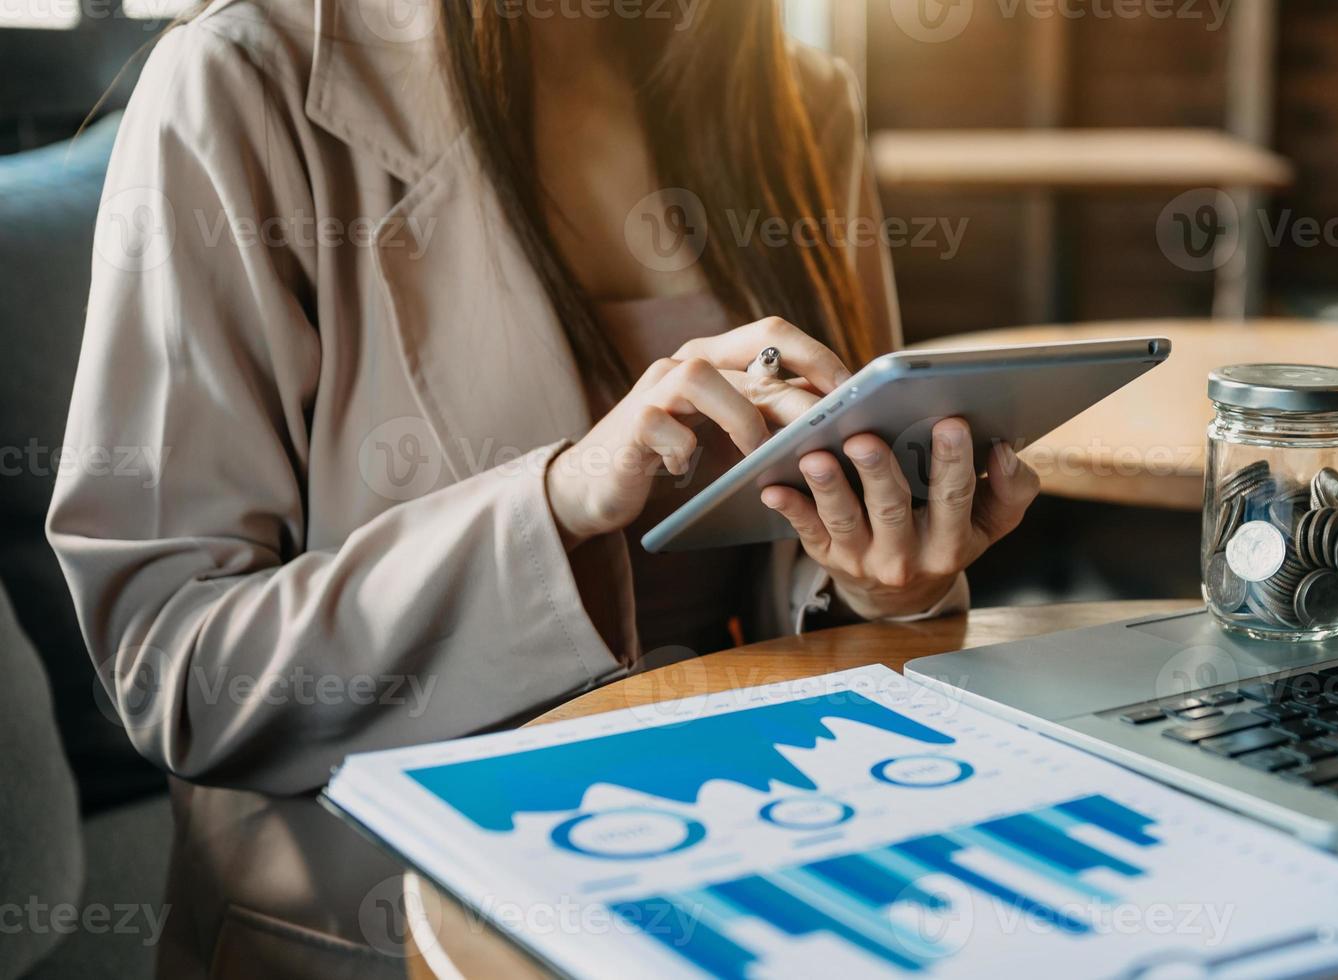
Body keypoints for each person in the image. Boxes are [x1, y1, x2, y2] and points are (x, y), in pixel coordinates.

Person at [45, 0, 1040, 973]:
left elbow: (819, 541)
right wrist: (556, 504)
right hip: (408, 926)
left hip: (768, 868)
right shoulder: (236, 81)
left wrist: (884, 582)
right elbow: (171, 668)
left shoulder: (794, 94)